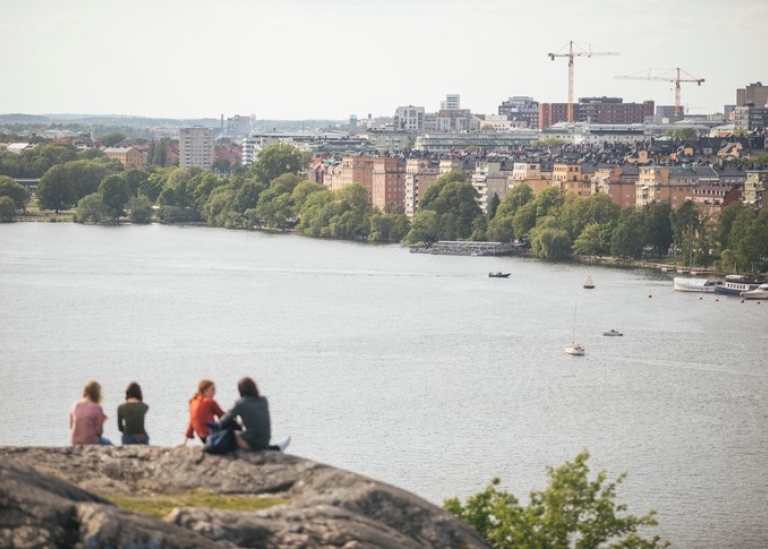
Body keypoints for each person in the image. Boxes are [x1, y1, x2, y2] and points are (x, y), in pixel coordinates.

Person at [219, 376, 290, 452]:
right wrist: (241, 422)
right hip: (265, 441)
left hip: (252, 443)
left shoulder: (241, 403)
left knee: (230, 431)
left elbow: (222, 422)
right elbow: (255, 418)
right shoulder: (263, 400)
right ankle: (275, 447)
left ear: (240, 390)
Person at [183, 379, 225, 445]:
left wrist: (184, 442)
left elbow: (192, 422)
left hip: (203, 438)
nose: (215, 392)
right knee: (231, 424)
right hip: (212, 435)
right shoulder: (209, 401)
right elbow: (222, 415)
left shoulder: (193, 402)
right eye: (213, 389)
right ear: (205, 391)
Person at [70, 380, 111, 445]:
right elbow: (99, 432)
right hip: (90, 442)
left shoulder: (75, 405)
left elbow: (71, 426)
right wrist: (102, 421)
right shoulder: (97, 408)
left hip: (75, 441)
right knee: (108, 442)